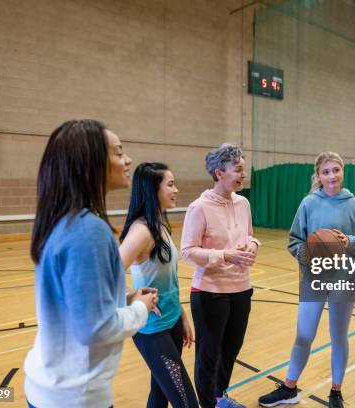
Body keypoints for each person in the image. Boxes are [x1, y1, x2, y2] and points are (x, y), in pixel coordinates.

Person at [24, 119, 157, 408]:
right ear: (90, 163)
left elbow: (78, 305)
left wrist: (123, 299)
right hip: (74, 396)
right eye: (119, 152)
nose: (128, 159)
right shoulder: (88, 231)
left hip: (49, 387)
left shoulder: (61, 220)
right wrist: (138, 309)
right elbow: (95, 328)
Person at [258, 152, 355, 408]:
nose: (331, 176)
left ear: (342, 171)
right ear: (318, 175)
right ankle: (289, 388)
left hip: (345, 280)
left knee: (339, 336)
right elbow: (294, 242)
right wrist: (311, 252)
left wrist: (349, 242)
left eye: (336, 170)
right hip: (314, 279)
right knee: (303, 335)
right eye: (326, 171)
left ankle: (336, 391)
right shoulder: (308, 203)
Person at [180, 143, 260, 408]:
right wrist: (225, 255)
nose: (243, 175)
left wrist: (252, 246)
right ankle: (206, 404)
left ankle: (218, 397)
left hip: (241, 290)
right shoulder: (199, 207)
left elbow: (249, 235)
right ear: (219, 173)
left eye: (243, 169)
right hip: (210, 292)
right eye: (237, 170)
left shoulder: (243, 203)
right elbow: (188, 251)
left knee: (230, 351)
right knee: (209, 355)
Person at [119, 162, 197, 408]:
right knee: (187, 403)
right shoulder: (142, 230)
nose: (176, 190)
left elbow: (169, 281)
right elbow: (108, 273)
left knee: (160, 395)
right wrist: (131, 296)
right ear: (154, 190)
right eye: (171, 184)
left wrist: (181, 315)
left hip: (171, 322)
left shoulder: (161, 225)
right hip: (152, 332)